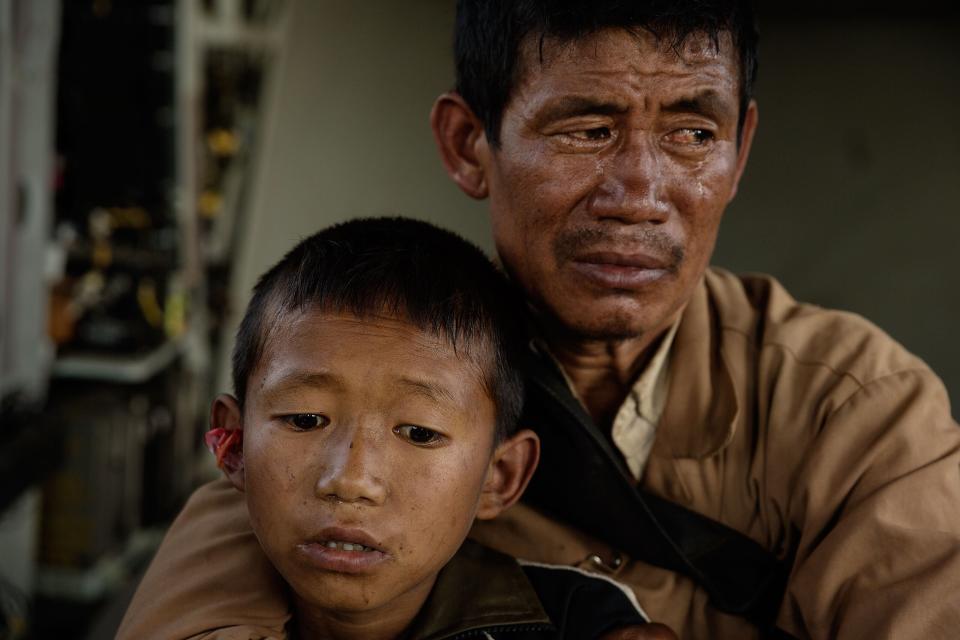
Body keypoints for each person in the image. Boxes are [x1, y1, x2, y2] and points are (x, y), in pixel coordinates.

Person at [118, 1, 960, 638]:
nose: (639, 195)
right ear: (468, 145)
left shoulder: (854, 415)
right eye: (587, 129)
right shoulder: (331, 419)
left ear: (739, 150)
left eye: (692, 133)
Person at [127, 216, 674, 640]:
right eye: (305, 419)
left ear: (499, 475)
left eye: (419, 433)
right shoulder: (181, 602)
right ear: (235, 447)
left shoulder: (578, 622)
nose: (350, 479)